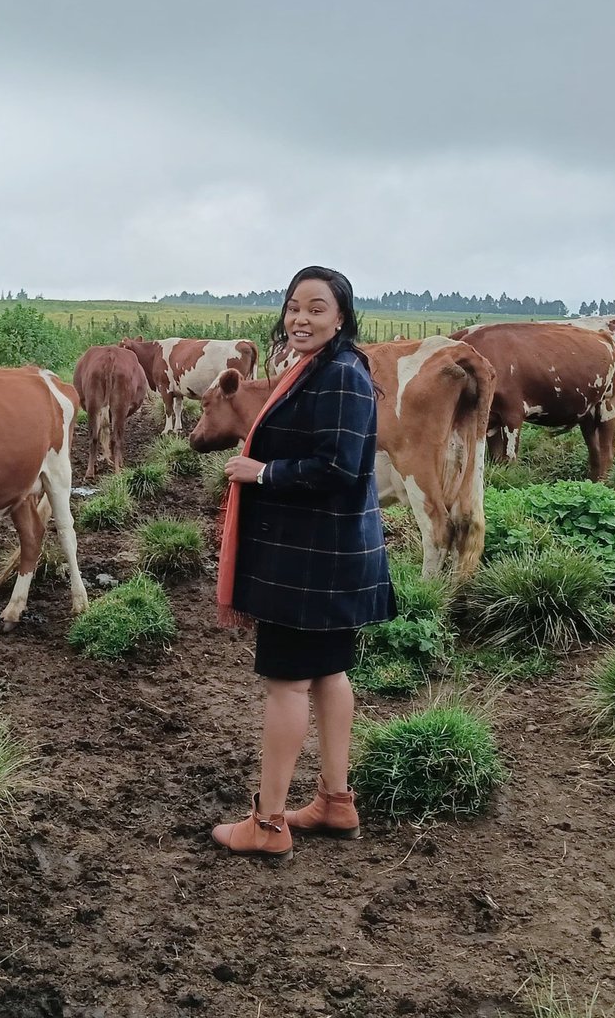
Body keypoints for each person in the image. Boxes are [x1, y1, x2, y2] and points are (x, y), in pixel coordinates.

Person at [211, 266, 395, 859]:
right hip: (332, 558)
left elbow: (339, 469)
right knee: (329, 675)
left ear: (341, 317)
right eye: (294, 307)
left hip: (311, 563)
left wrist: (262, 472)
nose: (301, 319)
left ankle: (267, 825)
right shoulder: (324, 368)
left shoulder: (340, 376)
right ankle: (335, 802)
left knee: (287, 684)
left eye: (317, 309)